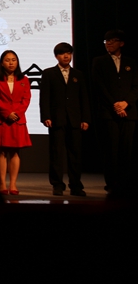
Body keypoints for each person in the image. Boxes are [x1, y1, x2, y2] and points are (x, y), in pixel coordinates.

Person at [40, 42, 90, 196]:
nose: (66, 56)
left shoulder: (78, 74)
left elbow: (84, 98)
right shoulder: (49, 73)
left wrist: (85, 119)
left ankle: (76, 185)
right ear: (56, 56)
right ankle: (57, 184)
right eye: (62, 53)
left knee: (75, 154)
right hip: (56, 119)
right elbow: (44, 97)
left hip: (75, 119)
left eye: (68, 53)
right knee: (56, 154)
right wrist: (46, 116)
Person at [91, 29, 138, 195]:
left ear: (121, 43)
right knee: (110, 150)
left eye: (112, 40)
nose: (109, 44)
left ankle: (125, 184)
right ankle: (111, 183)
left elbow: (135, 87)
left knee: (127, 150)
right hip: (108, 112)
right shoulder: (99, 61)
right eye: (106, 41)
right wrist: (115, 105)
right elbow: (99, 86)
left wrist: (126, 103)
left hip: (129, 112)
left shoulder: (131, 62)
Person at [0, 50, 32, 195]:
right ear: (2, 63)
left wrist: (17, 113)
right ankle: (2, 184)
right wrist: (7, 113)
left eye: (13, 60)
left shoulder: (24, 79)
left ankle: (13, 184)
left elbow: (26, 99)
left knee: (15, 152)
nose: (11, 63)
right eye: (7, 60)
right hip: (1, 119)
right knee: (1, 152)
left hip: (17, 120)